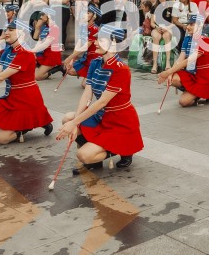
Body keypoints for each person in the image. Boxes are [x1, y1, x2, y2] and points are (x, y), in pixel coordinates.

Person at [57, 25, 145, 172]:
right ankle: (95, 160)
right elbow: (87, 94)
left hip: (119, 121)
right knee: (68, 118)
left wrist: (75, 123)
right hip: (100, 116)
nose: (95, 42)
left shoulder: (121, 70)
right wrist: (74, 122)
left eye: (100, 40)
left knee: (83, 155)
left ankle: (122, 149)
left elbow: (102, 102)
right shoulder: (95, 62)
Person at [0, 19, 53, 144]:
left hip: (26, 100)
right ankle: (19, 123)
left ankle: (28, 125)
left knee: (2, 139)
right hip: (11, 96)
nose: (6, 33)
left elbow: (1, 78)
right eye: (6, 30)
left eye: (11, 30)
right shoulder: (9, 50)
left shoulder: (26, 53)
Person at [158, 14, 209, 107]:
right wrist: (170, 73)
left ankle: (204, 93)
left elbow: (188, 61)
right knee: (172, 79)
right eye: (188, 24)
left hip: (204, 76)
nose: (188, 27)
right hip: (191, 73)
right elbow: (180, 59)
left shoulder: (204, 40)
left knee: (183, 102)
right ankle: (194, 94)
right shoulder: (187, 39)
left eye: (192, 24)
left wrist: (168, 72)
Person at [64, 5, 102, 82]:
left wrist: (70, 57)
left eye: (88, 13)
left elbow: (85, 47)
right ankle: (90, 76)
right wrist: (72, 61)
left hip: (95, 58)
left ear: (94, 16)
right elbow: (79, 44)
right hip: (87, 57)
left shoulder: (94, 29)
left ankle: (99, 76)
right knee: (69, 70)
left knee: (84, 85)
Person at [33, 7, 65, 80]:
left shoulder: (55, 27)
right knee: (31, 74)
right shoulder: (43, 27)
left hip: (52, 54)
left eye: (42, 15)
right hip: (42, 52)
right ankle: (42, 68)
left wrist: (32, 51)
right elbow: (38, 41)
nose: (40, 17)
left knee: (37, 77)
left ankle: (58, 68)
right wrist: (37, 28)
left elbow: (46, 44)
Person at [150, 0, 175, 74]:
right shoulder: (155, 7)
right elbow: (152, 22)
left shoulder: (171, 8)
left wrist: (167, 28)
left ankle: (167, 62)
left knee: (166, 36)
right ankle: (155, 64)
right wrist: (157, 27)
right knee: (156, 37)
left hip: (167, 27)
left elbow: (173, 22)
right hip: (157, 27)